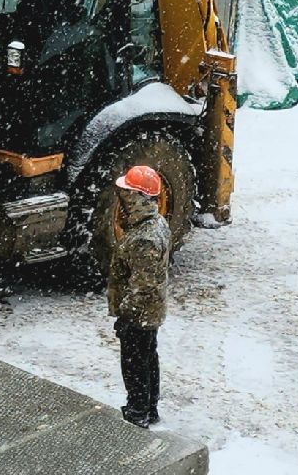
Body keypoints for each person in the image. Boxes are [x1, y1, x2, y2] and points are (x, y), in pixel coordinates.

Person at [107, 164, 170, 428]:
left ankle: (137, 410)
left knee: (135, 363)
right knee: (147, 357)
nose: (121, 198)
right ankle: (149, 406)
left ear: (136, 198)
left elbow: (143, 285)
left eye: (126, 193)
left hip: (139, 313)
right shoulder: (155, 223)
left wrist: (126, 313)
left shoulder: (145, 237)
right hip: (149, 311)